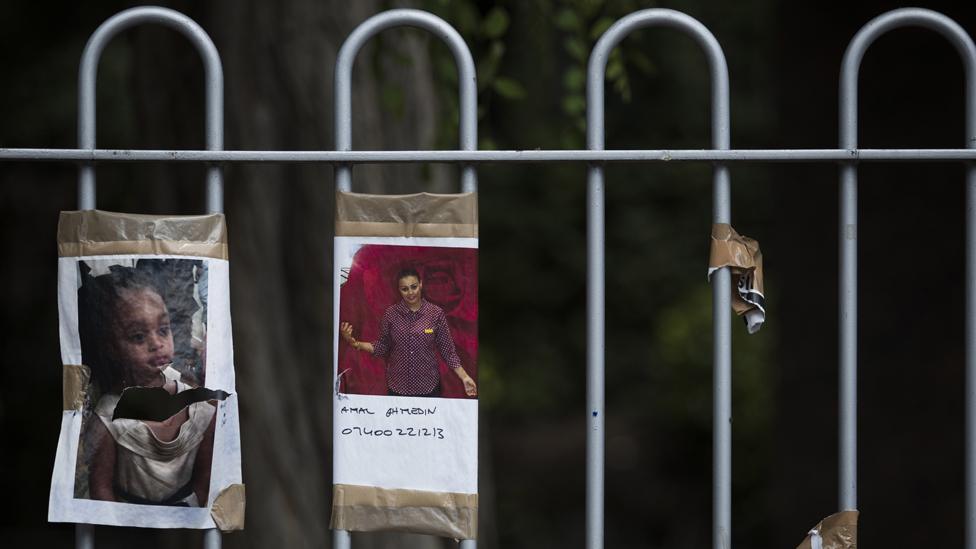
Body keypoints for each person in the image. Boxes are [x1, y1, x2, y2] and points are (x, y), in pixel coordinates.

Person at [78, 265, 216, 507]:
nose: (157, 344)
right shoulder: (109, 416)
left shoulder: (200, 407)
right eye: (138, 337)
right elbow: (101, 490)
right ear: (112, 347)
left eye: (163, 330)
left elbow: (206, 484)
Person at [340, 267, 478, 397]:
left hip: (428, 387)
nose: (411, 292)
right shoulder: (390, 314)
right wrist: (356, 343)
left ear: (421, 284)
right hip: (397, 387)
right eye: (405, 289)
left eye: (414, 287)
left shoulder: (436, 314)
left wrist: (464, 377)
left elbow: (448, 351)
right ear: (399, 290)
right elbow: (382, 346)